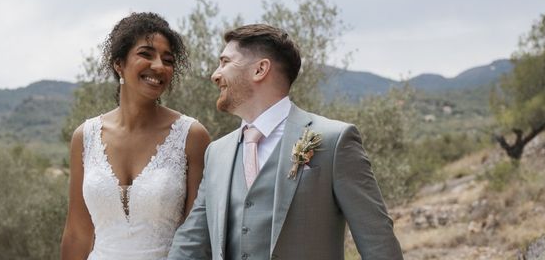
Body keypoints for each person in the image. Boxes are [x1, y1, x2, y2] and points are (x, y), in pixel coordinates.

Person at [168, 24, 404, 260]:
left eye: (225, 62)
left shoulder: (334, 140)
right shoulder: (216, 153)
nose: (215, 74)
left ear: (260, 69)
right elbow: (191, 242)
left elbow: (377, 242)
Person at [61, 12, 211, 260]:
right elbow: (77, 233)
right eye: (146, 54)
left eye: (168, 59)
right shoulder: (84, 137)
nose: (159, 66)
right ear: (118, 63)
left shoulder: (192, 136)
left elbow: (198, 236)